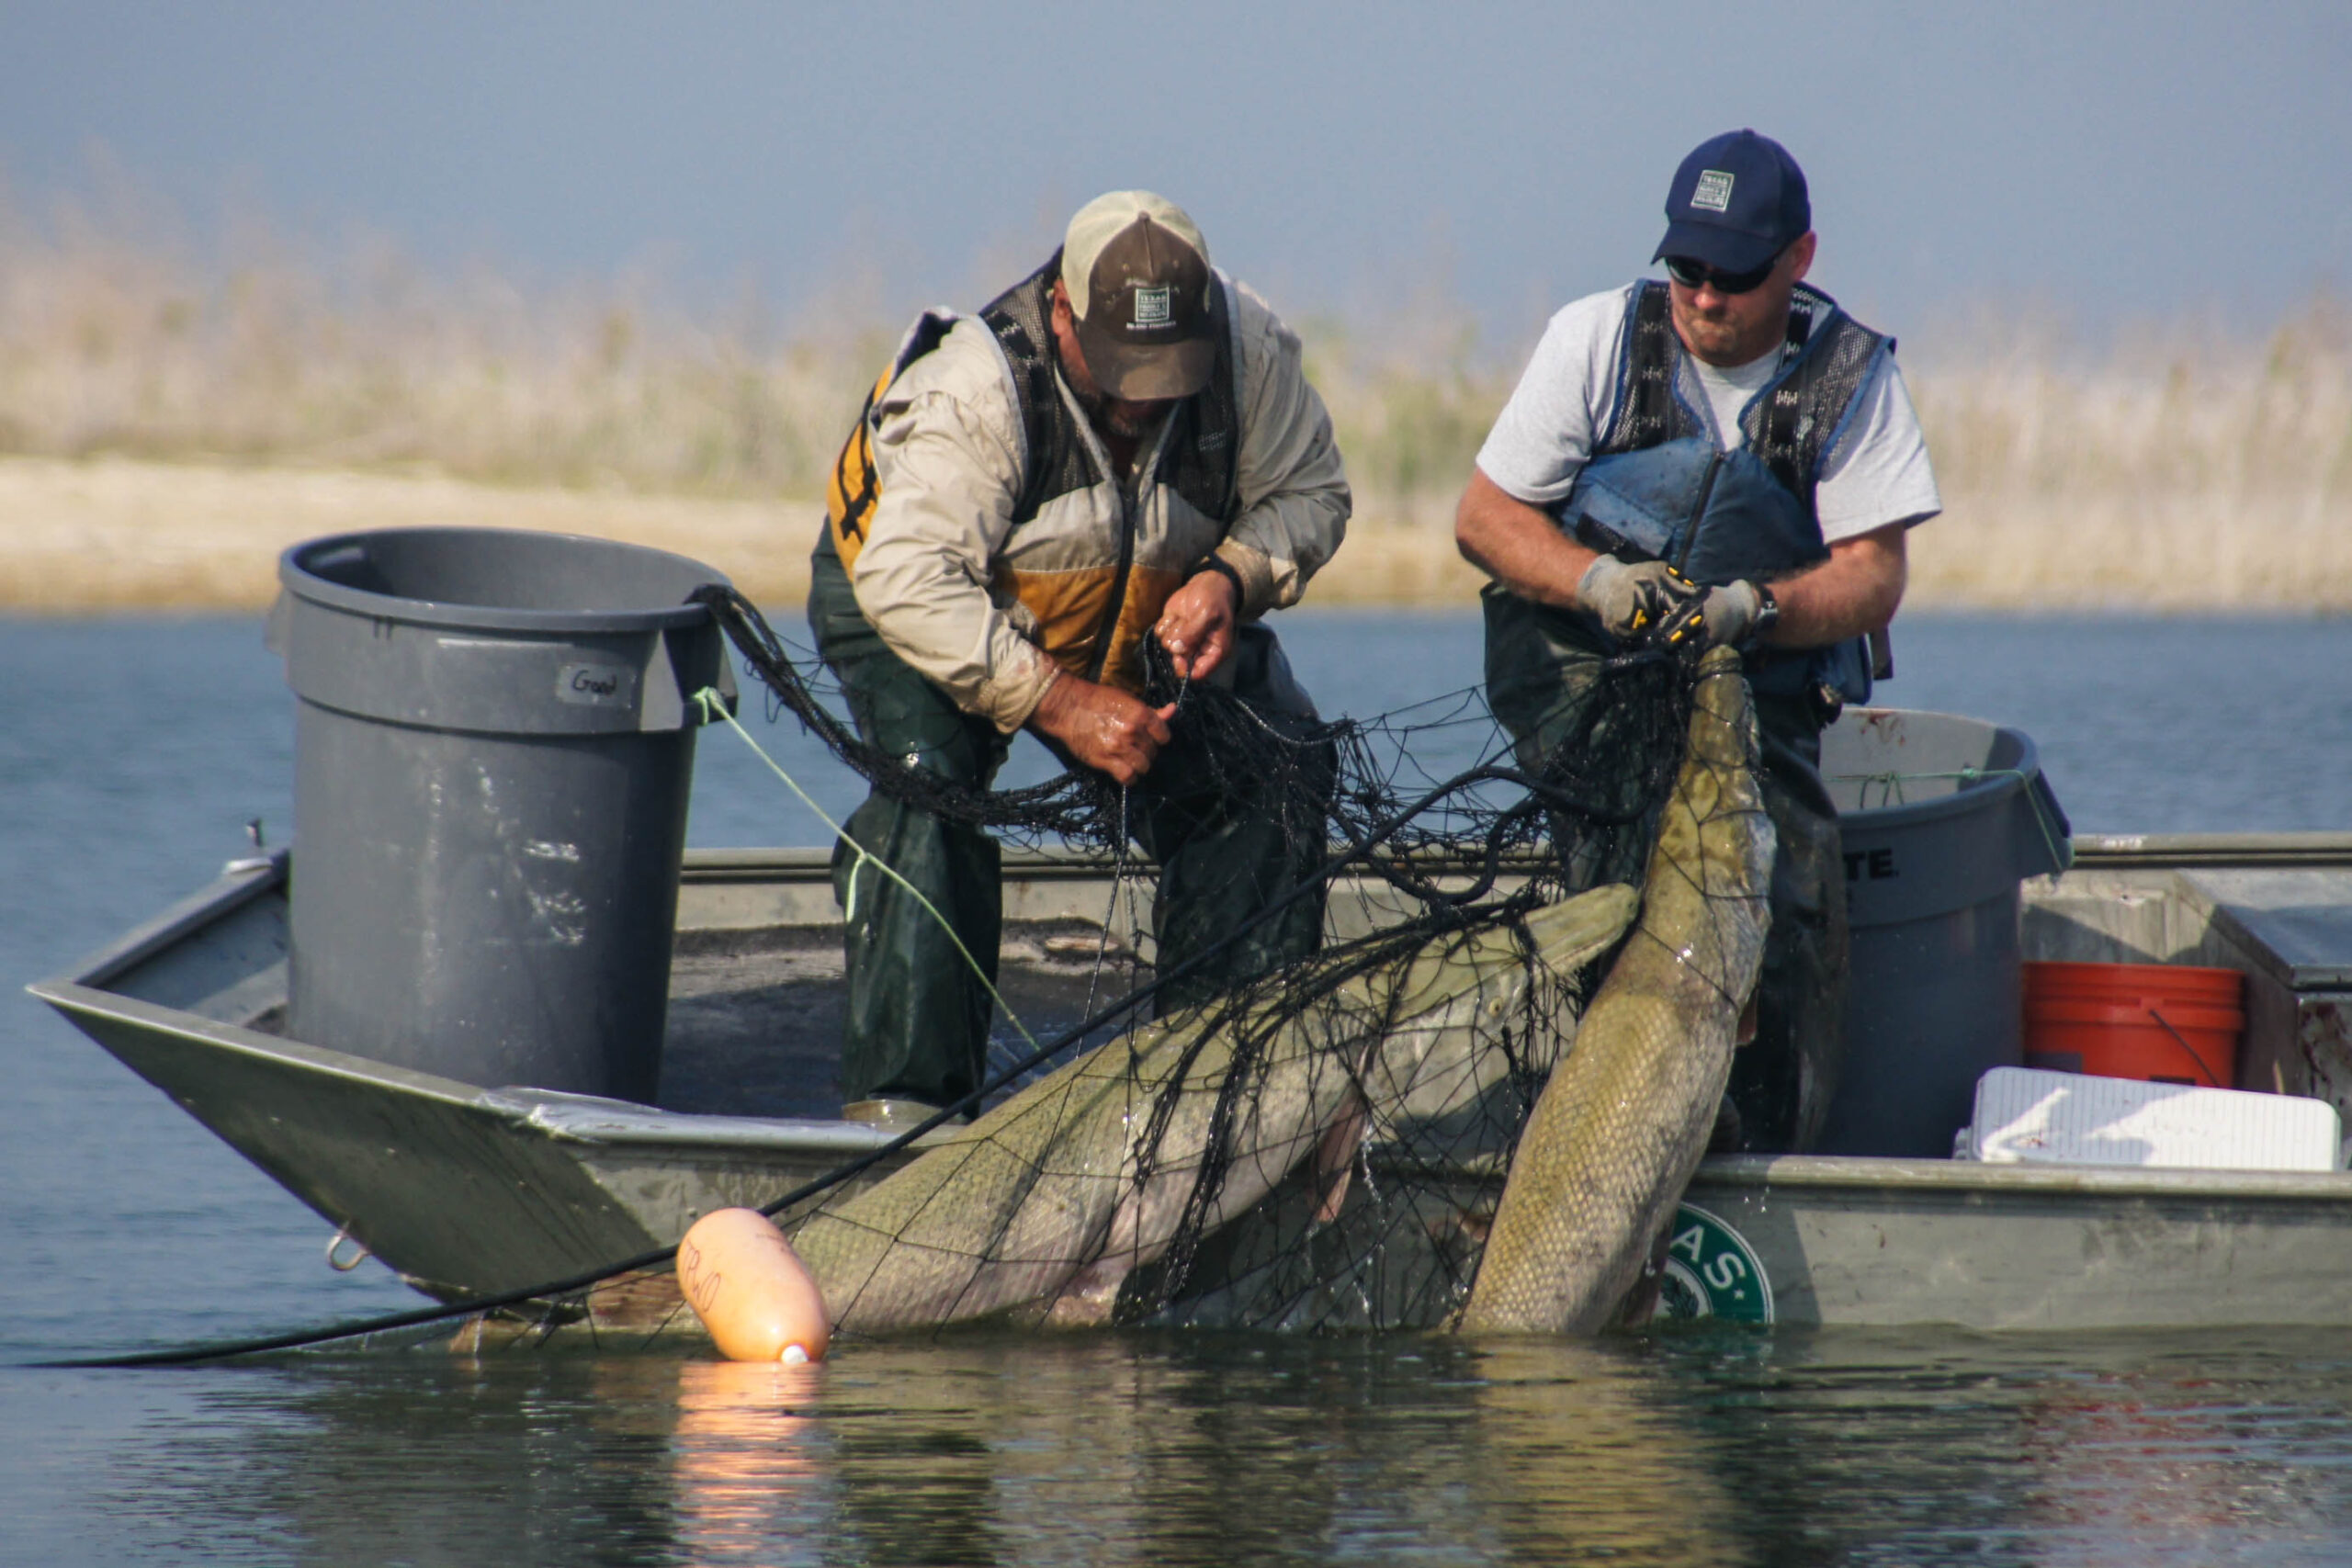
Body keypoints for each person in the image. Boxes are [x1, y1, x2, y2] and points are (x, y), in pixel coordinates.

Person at [810, 190, 1351, 1125]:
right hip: (923, 598)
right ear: (1062, 311)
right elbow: (908, 581)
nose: (1142, 398)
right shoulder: (976, 387)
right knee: (930, 787)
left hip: (1136, 598)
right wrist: (1058, 703)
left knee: (1273, 764)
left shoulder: (1251, 350)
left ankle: (1218, 1100)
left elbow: (1311, 493)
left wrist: (1229, 579)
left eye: (1166, 371)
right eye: (1119, 370)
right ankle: (905, 1116)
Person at [1454, 130, 1940, 1151]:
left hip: (1758, 685)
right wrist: (1594, 582)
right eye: (1685, 269)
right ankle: (1595, 1138)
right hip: (1584, 677)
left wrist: (1751, 611)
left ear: (1798, 260)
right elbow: (1486, 519)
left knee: (1789, 922)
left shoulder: (1850, 377)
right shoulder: (1593, 337)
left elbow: (1872, 577)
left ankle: (1762, 1158)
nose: (1704, 297)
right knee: (1621, 890)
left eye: (1734, 275)